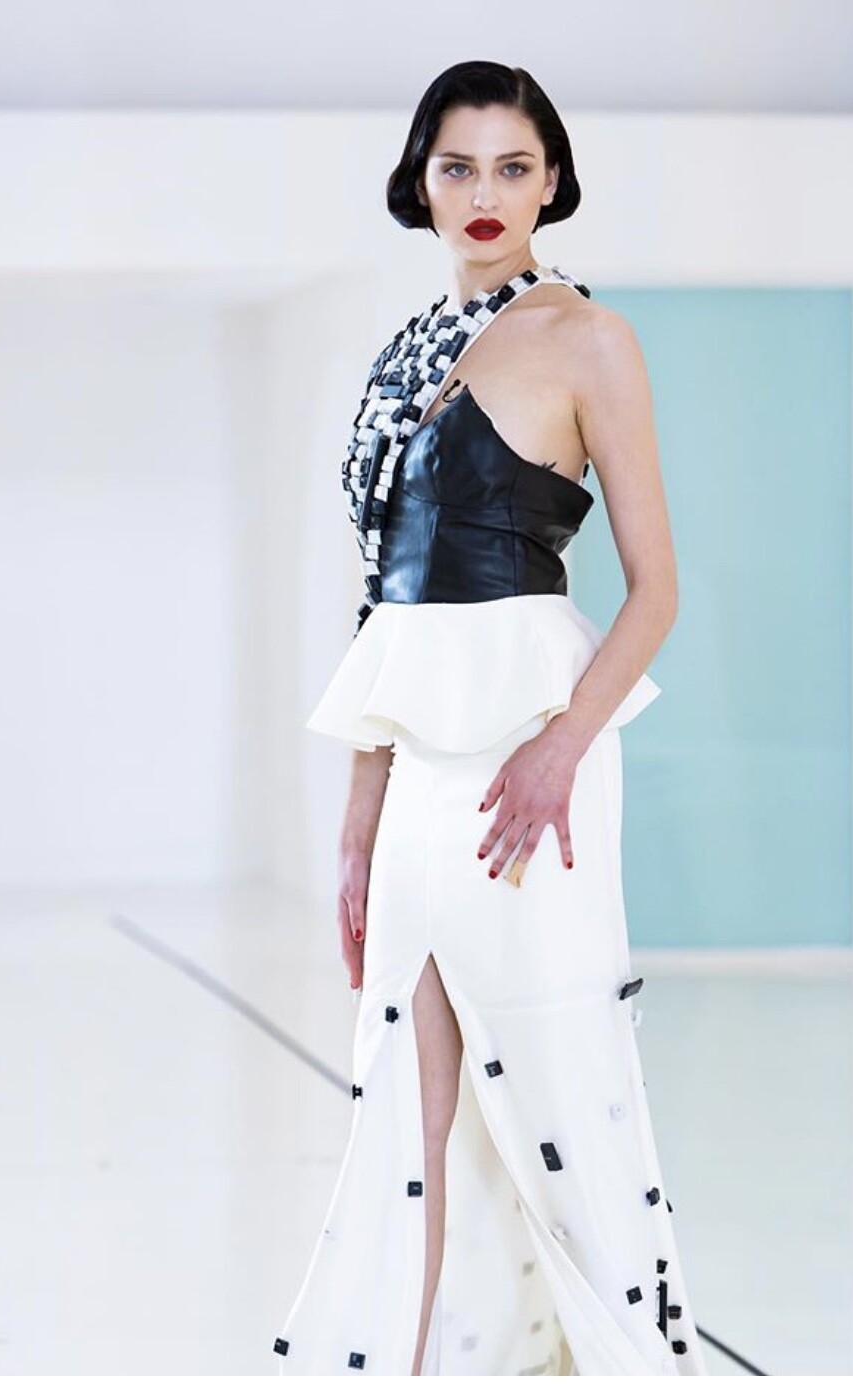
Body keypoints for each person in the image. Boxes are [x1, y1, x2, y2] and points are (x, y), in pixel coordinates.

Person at [274, 60, 708, 1377]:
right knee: (403, 1110)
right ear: (419, 181)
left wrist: (558, 750)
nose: (483, 192)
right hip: (417, 767)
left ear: (552, 182)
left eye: (512, 167)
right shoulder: (403, 349)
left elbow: (656, 590)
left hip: (534, 760)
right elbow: (383, 602)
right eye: (457, 166)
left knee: (560, 1089)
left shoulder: (588, 338)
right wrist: (357, 825)